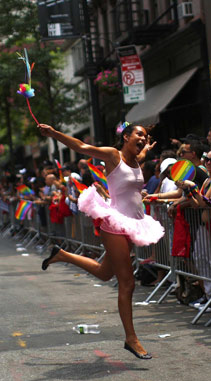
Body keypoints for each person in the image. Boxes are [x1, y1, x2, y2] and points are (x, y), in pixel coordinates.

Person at [38, 123, 164, 360]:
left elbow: (144, 153)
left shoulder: (139, 158)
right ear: (126, 137)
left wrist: (145, 146)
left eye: (145, 137)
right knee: (127, 283)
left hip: (134, 224)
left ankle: (62, 255)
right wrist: (54, 133)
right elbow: (82, 146)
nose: (143, 139)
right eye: (139, 135)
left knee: (106, 273)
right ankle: (131, 338)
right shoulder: (112, 155)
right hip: (115, 225)